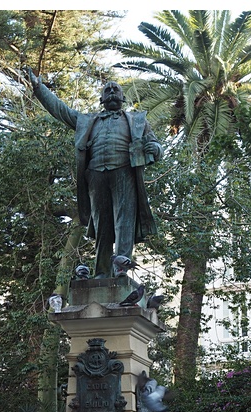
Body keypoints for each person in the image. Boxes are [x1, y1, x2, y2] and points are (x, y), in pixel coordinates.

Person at [28, 69, 163, 277]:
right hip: (95, 175)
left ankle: (121, 269)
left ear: (122, 97)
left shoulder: (138, 121)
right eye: (107, 89)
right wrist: (39, 88)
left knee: (123, 222)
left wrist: (154, 149)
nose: (111, 91)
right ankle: (101, 273)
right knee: (102, 225)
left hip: (124, 172)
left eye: (115, 89)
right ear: (101, 98)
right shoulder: (86, 121)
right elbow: (60, 110)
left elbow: (154, 144)